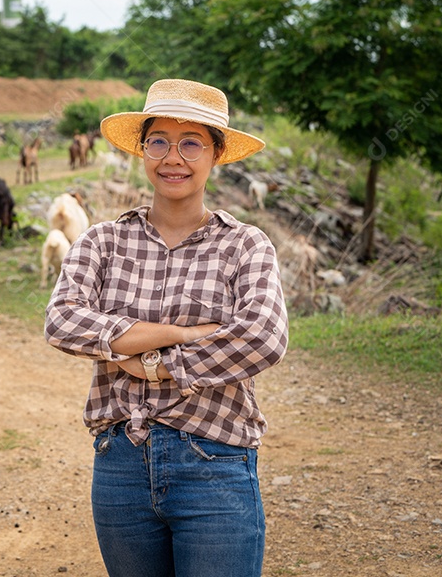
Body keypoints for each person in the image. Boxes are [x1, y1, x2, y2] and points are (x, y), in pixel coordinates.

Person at [45, 78, 288, 577]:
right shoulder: (102, 242)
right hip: (119, 464)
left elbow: (263, 337)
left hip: (214, 459)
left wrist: (150, 364)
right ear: (142, 150)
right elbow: (63, 321)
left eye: (191, 143)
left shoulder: (245, 246)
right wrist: (183, 333)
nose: (172, 157)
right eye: (158, 141)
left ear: (216, 154)